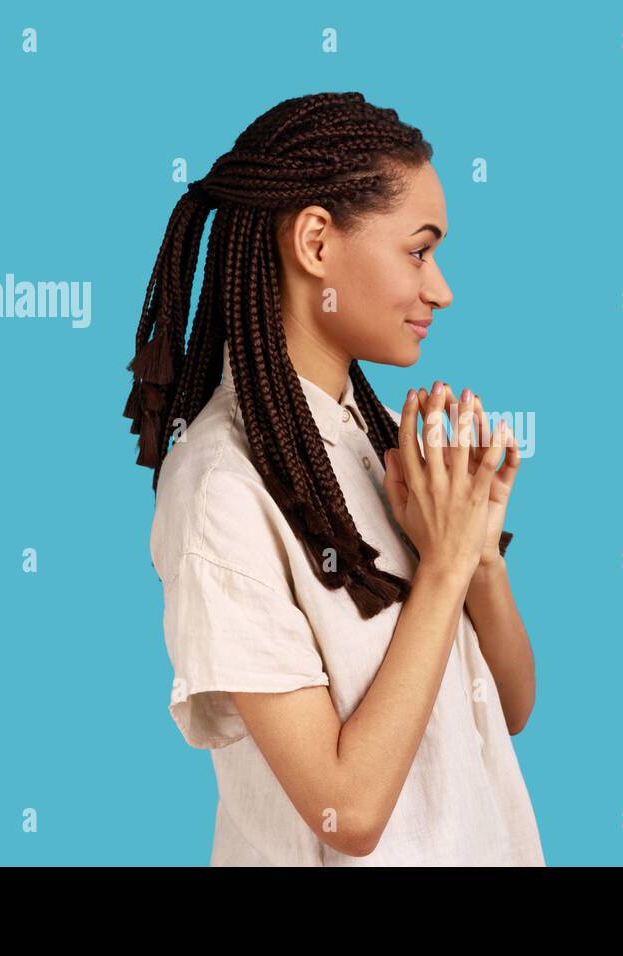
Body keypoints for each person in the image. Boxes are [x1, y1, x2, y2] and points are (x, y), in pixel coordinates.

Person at [122, 91, 545, 865]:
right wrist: (444, 567)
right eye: (418, 251)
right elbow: (344, 810)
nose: (440, 287)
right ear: (316, 242)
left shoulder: (372, 444)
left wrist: (476, 551)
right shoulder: (222, 487)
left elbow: (509, 709)